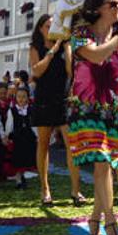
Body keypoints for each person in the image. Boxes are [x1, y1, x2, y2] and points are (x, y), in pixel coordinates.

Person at [68, 0, 118, 235]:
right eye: (113, 5)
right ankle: (111, 222)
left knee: (107, 165)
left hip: (115, 108)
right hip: (88, 110)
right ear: (98, 7)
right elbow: (96, 56)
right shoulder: (79, 34)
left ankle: (94, 219)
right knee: (101, 163)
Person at [29, 14, 86, 207]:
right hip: (44, 99)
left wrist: (66, 44)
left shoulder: (64, 46)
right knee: (43, 144)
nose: (51, 29)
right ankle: (45, 189)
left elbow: (71, 71)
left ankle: (76, 190)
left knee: (72, 144)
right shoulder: (36, 47)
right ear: (40, 29)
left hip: (63, 99)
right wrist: (52, 49)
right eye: (47, 26)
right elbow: (37, 71)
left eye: (54, 25)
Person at [3, 86, 37, 189]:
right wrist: (7, 135)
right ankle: (18, 179)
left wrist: (37, 136)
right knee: (17, 160)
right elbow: (9, 124)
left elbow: (34, 124)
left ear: (28, 98)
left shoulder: (31, 110)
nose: (21, 99)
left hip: (28, 137)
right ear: (15, 98)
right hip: (17, 138)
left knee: (26, 159)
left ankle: (22, 176)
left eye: (23, 97)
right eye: (19, 97)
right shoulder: (12, 111)